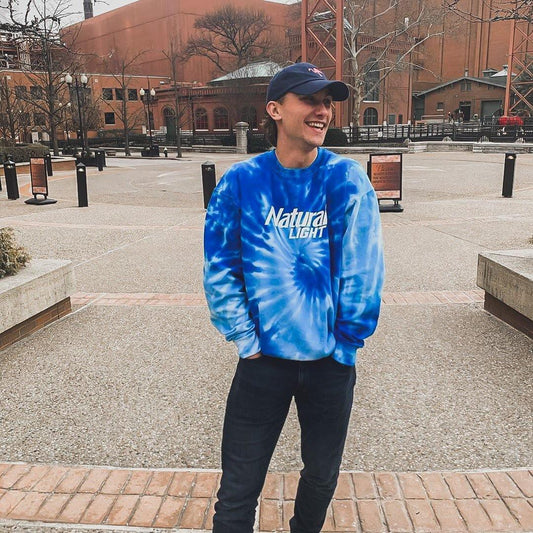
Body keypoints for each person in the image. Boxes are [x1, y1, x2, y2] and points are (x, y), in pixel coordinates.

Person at [203, 62, 385, 533]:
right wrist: (245, 338)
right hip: (262, 363)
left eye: (327, 101)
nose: (322, 110)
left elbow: (363, 271)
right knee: (238, 487)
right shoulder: (241, 182)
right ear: (275, 110)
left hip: (330, 365)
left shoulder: (347, 181)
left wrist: (346, 346)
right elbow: (221, 269)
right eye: (310, 99)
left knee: (322, 476)